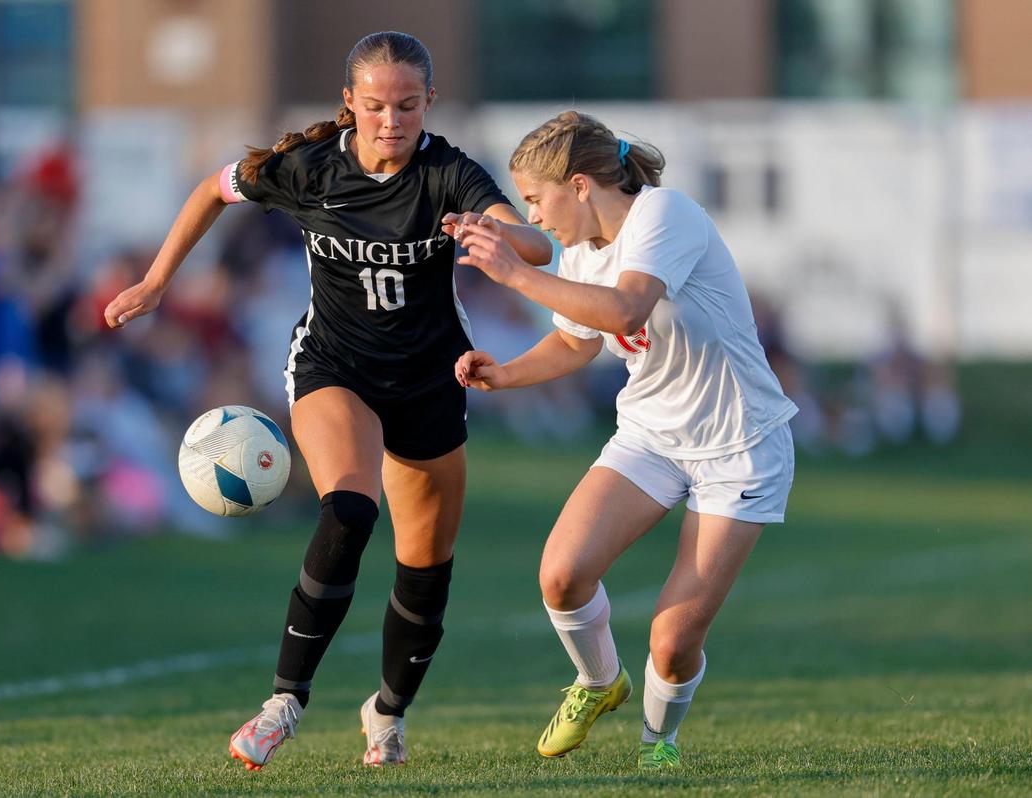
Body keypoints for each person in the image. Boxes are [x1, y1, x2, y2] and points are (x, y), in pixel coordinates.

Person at [103, 32, 551, 770]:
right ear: (349, 104)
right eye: (374, 105)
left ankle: (387, 714)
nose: (390, 120)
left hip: (432, 382)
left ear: (428, 103)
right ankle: (284, 701)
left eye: (407, 105)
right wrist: (157, 282)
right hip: (333, 366)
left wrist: (498, 237)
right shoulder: (308, 169)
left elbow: (533, 247)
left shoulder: (449, 173)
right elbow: (212, 191)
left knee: (425, 568)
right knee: (348, 509)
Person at [453, 111, 796, 770]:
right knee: (562, 573)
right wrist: (505, 372)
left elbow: (626, 310)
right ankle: (599, 681)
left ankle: (657, 745)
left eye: (535, 200)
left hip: (740, 445)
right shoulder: (583, 250)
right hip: (650, 436)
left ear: (580, 186)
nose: (533, 218)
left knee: (672, 640)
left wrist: (516, 274)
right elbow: (575, 340)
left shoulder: (666, 214)